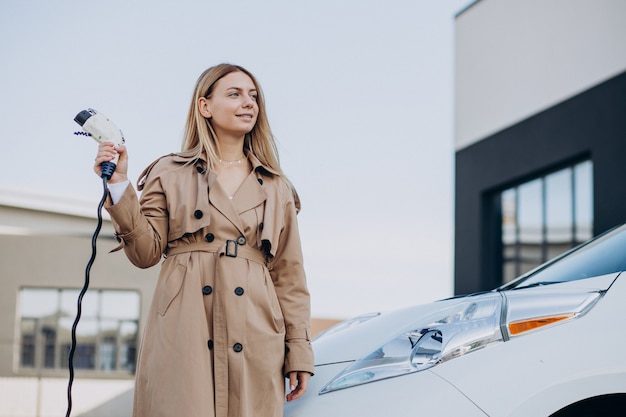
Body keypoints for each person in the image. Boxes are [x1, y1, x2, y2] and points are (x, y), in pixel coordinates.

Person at [94, 63, 314, 417]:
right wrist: (119, 184)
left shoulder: (276, 187)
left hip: (257, 328)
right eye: (235, 94)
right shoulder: (169, 172)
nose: (249, 103)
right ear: (204, 106)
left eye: (253, 96)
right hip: (185, 325)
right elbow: (146, 252)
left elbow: (290, 276)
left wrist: (299, 350)